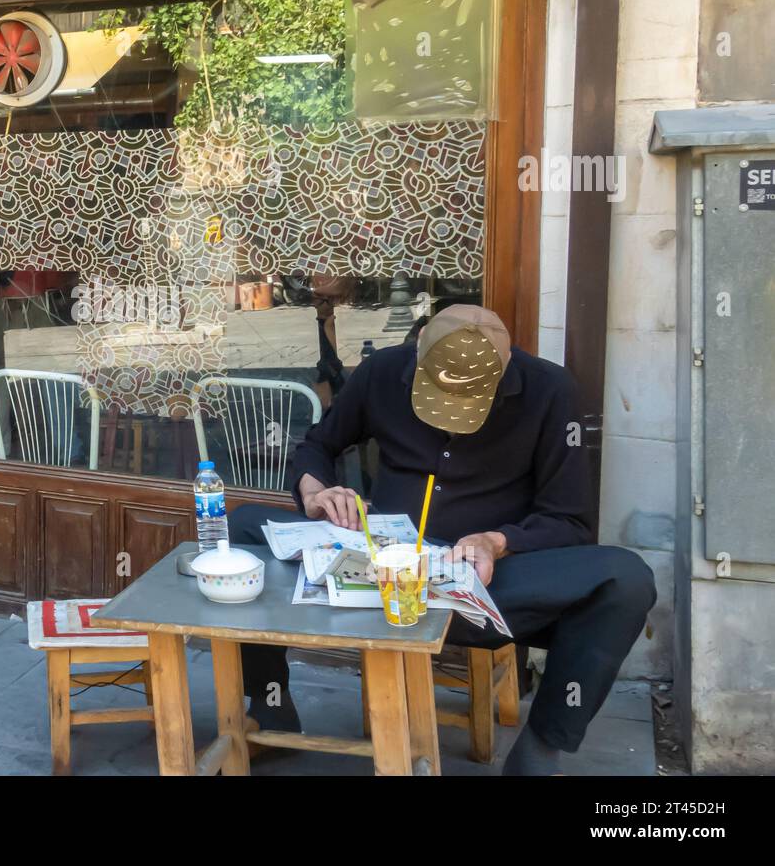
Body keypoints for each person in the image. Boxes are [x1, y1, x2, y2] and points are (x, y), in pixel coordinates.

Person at [228, 304, 657, 775]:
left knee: (626, 578)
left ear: (506, 367)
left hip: (482, 580)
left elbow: (568, 520)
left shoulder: (550, 392)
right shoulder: (383, 372)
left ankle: (541, 748)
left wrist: (497, 541)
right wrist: (317, 491)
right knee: (244, 528)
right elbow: (318, 445)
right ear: (418, 358)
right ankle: (271, 703)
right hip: (379, 565)